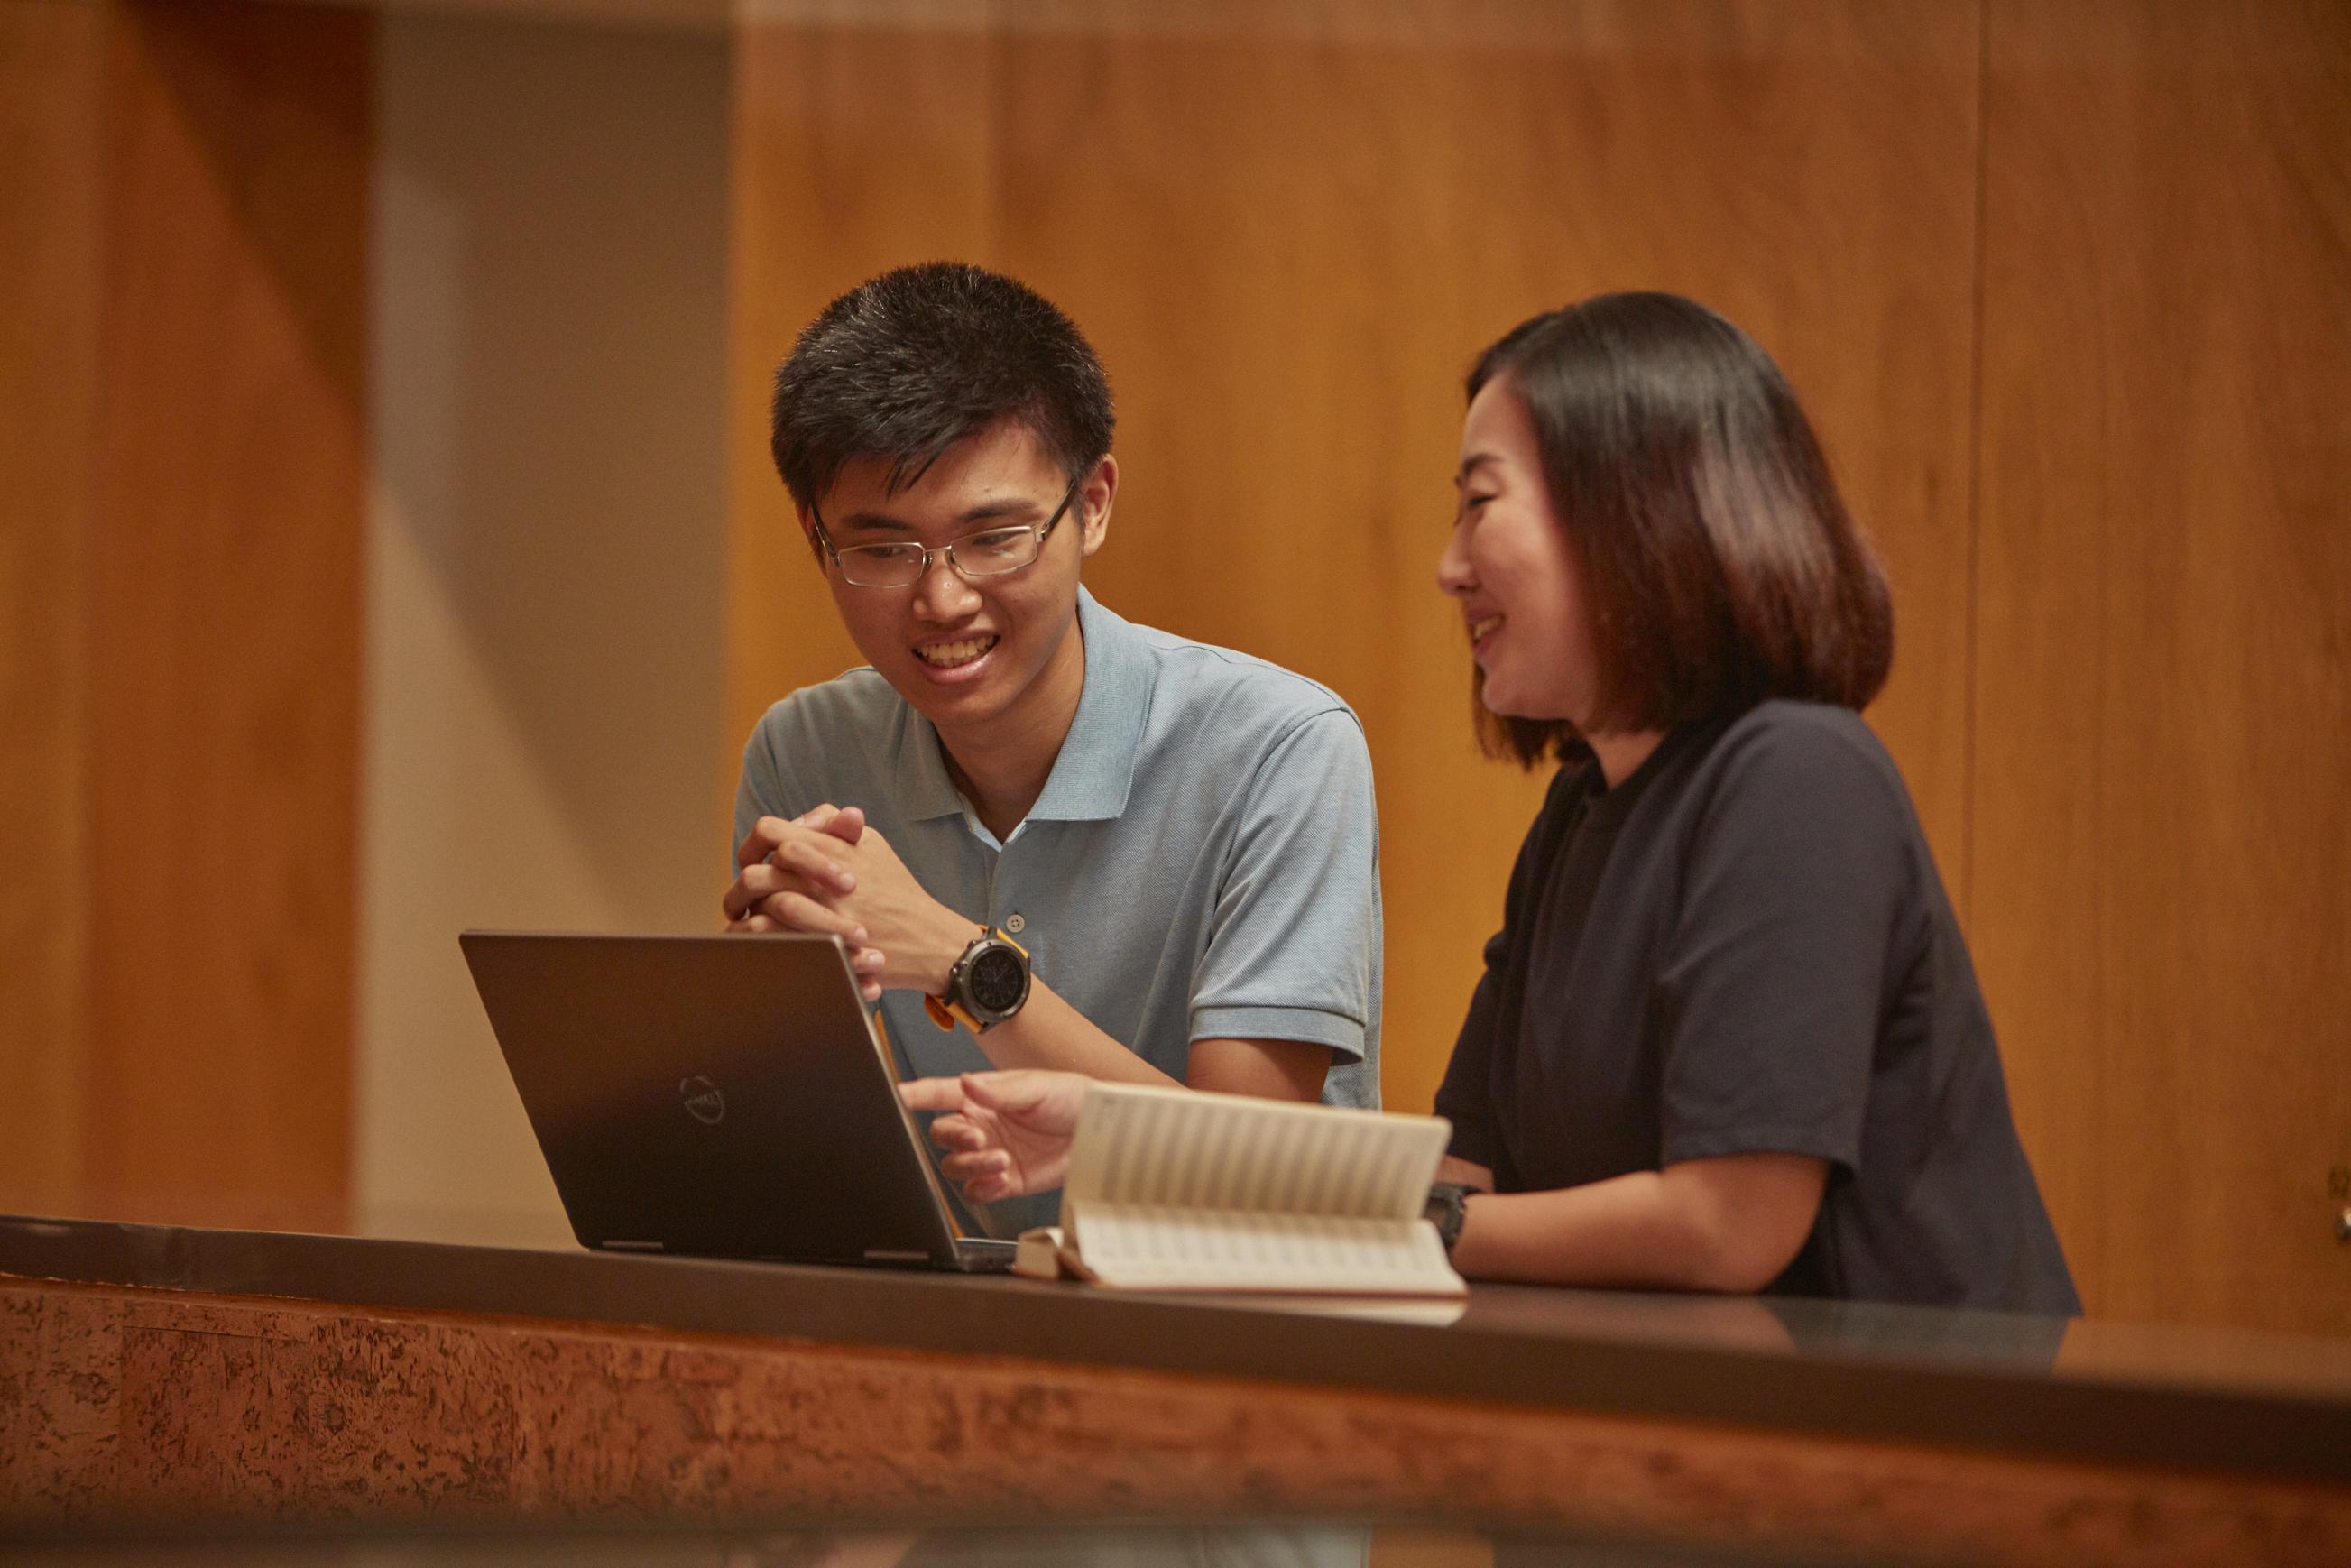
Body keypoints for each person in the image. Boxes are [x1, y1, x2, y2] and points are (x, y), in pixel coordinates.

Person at [905, 292, 2079, 1313]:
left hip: (1901, 1471)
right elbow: (1460, 1173)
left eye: (1480, 501)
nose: (1448, 563)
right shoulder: (1580, 816)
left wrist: (1411, 1227)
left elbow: (1727, 1225)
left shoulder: (1797, 776)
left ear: (1633, 508)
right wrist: (1127, 1138)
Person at [724, 262, 1381, 1237]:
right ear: (814, 537)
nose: (941, 599)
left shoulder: (1278, 748)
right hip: (939, 1340)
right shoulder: (804, 750)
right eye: (881, 549)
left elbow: (1261, 1167)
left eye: (994, 537)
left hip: (1232, 1338)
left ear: (1095, 501)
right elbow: (820, 1159)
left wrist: (963, 963)